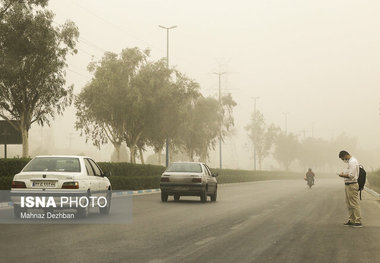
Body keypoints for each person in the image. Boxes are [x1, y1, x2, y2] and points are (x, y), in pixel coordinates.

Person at [338, 150, 362, 227]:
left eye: (342, 158)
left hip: (352, 184)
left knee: (354, 203)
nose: (343, 160)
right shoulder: (351, 162)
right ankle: (351, 220)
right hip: (348, 184)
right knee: (349, 204)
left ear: (345, 156)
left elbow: (351, 175)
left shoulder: (352, 162)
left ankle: (358, 221)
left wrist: (342, 175)